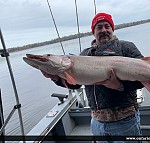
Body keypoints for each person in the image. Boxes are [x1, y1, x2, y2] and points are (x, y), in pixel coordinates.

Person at [41, 12, 144, 143]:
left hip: (124, 121)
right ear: (93, 32)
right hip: (97, 123)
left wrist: (119, 85)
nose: (104, 30)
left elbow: (143, 79)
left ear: (112, 29)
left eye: (107, 26)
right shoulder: (84, 54)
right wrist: (55, 78)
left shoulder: (126, 47)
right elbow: (75, 84)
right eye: (99, 27)